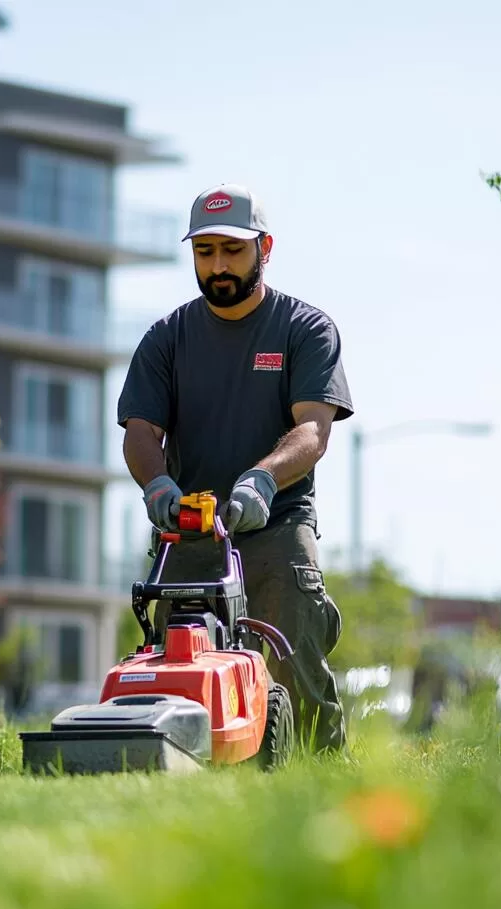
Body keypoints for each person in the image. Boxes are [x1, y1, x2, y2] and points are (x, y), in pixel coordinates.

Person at [115, 183, 355, 753]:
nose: (217, 265)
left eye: (232, 250)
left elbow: (313, 430)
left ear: (264, 248)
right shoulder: (167, 339)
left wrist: (264, 478)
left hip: (277, 526)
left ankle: (325, 783)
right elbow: (141, 432)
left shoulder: (304, 329)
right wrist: (157, 486)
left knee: (296, 662)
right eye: (204, 252)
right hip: (191, 532)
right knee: (176, 676)